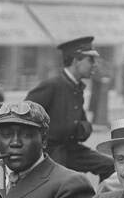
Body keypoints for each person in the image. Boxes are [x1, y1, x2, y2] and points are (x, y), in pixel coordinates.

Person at [28, 37, 115, 180]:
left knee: (110, 166)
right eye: (91, 60)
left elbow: (84, 124)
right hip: (50, 152)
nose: (95, 65)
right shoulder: (52, 85)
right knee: (69, 183)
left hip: (71, 150)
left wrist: (81, 129)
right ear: (76, 61)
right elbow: (24, 115)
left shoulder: (76, 87)